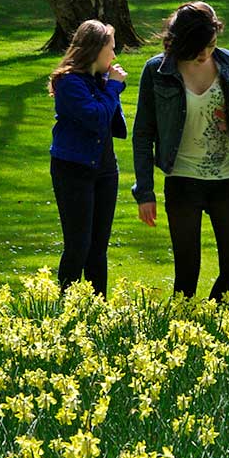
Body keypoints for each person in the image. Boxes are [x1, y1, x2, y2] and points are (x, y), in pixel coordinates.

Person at [131, 1, 229, 300]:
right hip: (182, 180)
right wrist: (145, 191)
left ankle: (214, 330)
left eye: (211, 44)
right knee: (186, 274)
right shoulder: (157, 71)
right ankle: (182, 335)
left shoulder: (228, 63)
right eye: (199, 48)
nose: (206, 53)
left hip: (228, 178)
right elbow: (142, 134)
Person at [48, 19, 128, 297]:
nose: (115, 56)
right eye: (111, 49)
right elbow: (95, 118)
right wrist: (113, 89)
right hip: (74, 169)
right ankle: (66, 304)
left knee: (98, 249)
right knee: (78, 245)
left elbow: (116, 126)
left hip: (105, 170)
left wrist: (109, 85)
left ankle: (98, 307)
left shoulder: (98, 81)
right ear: (95, 50)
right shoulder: (69, 82)